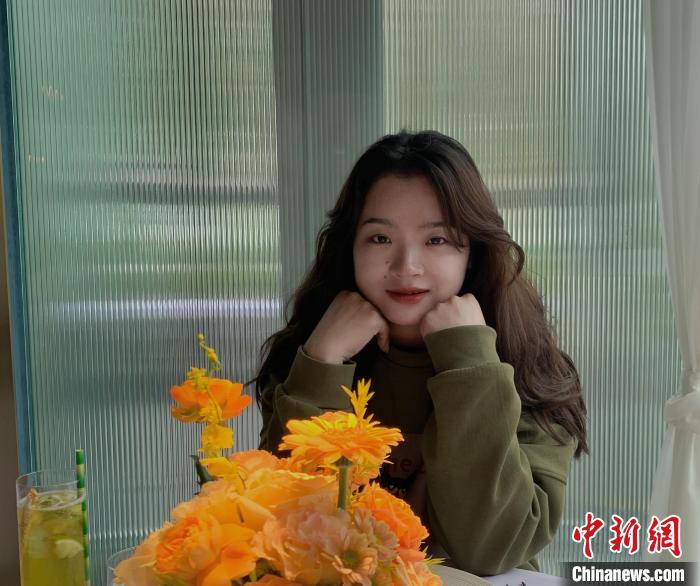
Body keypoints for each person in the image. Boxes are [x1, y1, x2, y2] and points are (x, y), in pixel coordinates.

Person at [251, 130, 588, 576]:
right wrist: (324, 361)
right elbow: (287, 527)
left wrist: (469, 360)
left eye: (436, 240)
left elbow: (491, 550)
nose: (406, 267)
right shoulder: (310, 354)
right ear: (349, 247)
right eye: (379, 239)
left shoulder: (531, 367)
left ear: (473, 252)